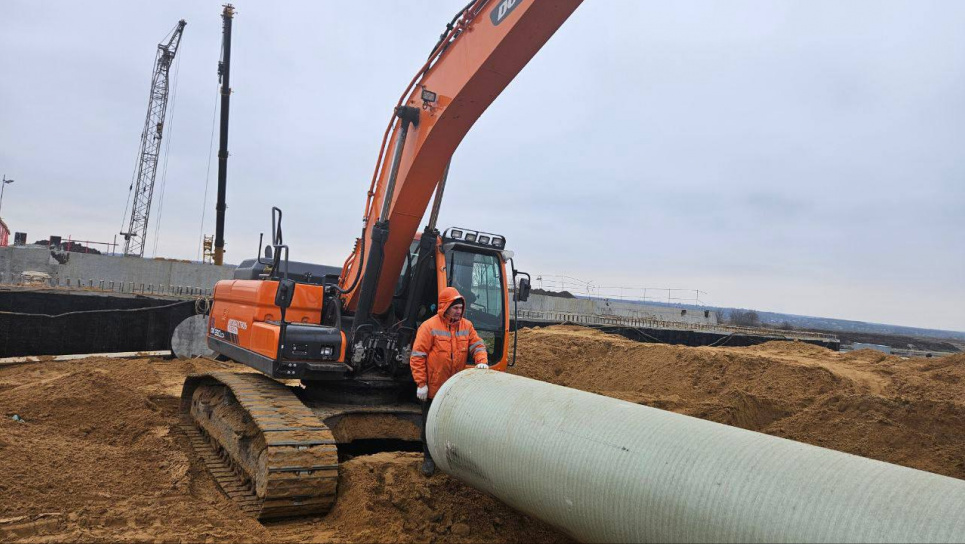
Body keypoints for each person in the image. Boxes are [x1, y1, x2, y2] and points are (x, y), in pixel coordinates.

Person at [409, 286, 489, 476]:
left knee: (452, 424)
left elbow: (478, 345)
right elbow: (418, 356)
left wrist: (482, 361)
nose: (459, 311)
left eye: (461, 308)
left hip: (455, 388)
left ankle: (450, 458)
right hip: (434, 388)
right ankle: (428, 459)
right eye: (455, 307)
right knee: (429, 425)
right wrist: (421, 384)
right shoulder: (429, 327)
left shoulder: (466, 326)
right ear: (445, 307)